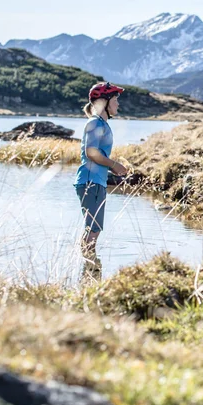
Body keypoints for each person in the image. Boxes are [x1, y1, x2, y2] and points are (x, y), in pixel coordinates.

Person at [74, 82, 128, 281]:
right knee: (94, 230)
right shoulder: (95, 123)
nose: (118, 105)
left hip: (95, 182)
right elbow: (91, 152)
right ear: (103, 102)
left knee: (92, 229)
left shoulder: (101, 124)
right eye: (115, 100)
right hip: (90, 182)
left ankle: (87, 274)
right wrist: (114, 165)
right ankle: (90, 276)